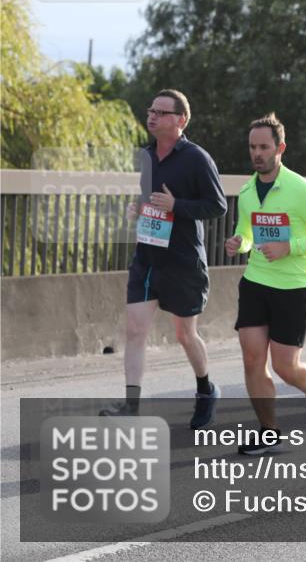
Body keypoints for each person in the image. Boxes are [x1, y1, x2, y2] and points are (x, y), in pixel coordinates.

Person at [101, 89, 227, 428]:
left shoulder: (198, 158)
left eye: (161, 112)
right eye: (150, 110)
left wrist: (177, 206)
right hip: (147, 257)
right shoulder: (146, 156)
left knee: (185, 335)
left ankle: (205, 389)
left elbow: (217, 206)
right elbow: (151, 201)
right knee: (135, 330)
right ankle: (131, 405)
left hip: (183, 261)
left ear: (180, 120)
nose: (152, 116)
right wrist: (138, 209)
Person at [225, 114, 306, 454]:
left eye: (264, 147)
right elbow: (248, 232)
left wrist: (291, 247)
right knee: (251, 359)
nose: (257, 153)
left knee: (285, 367)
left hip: (293, 286)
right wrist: (239, 243)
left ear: (280, 148)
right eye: (252, 147)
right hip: (256, 282)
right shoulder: (247, 191)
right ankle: (269, 430)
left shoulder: (301, 190)